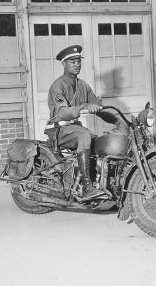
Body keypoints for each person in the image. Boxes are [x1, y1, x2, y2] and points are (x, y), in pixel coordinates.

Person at [47, 45, 129, 200]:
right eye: (72, 61)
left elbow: (99, 108)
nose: (77, 64)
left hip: (73, 129)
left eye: (78, 61)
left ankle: (102, 181)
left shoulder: (83, 86)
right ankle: (87, 187)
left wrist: (120, 120)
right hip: (58, 129)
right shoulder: (58, 86)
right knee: (85, 135)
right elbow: (62, 112)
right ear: (64, 64)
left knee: (99, 141)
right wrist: (84, 106)